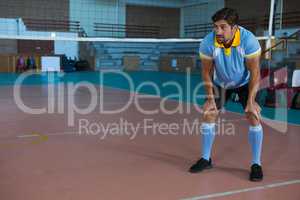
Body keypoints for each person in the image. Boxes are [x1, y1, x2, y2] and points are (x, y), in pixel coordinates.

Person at [189, 8, 264, 182]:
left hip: (245, 83)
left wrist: (251, 101)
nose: (218, 31)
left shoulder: (249, 41)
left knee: (253, 116)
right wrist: (209, 98)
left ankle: (256, 164)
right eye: (215, 27)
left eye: (223, 27)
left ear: (234, 27)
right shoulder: (208, 42)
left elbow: (255, 73)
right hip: (220, 82)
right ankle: (206, 159)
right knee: (209, 114)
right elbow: (206, 72)